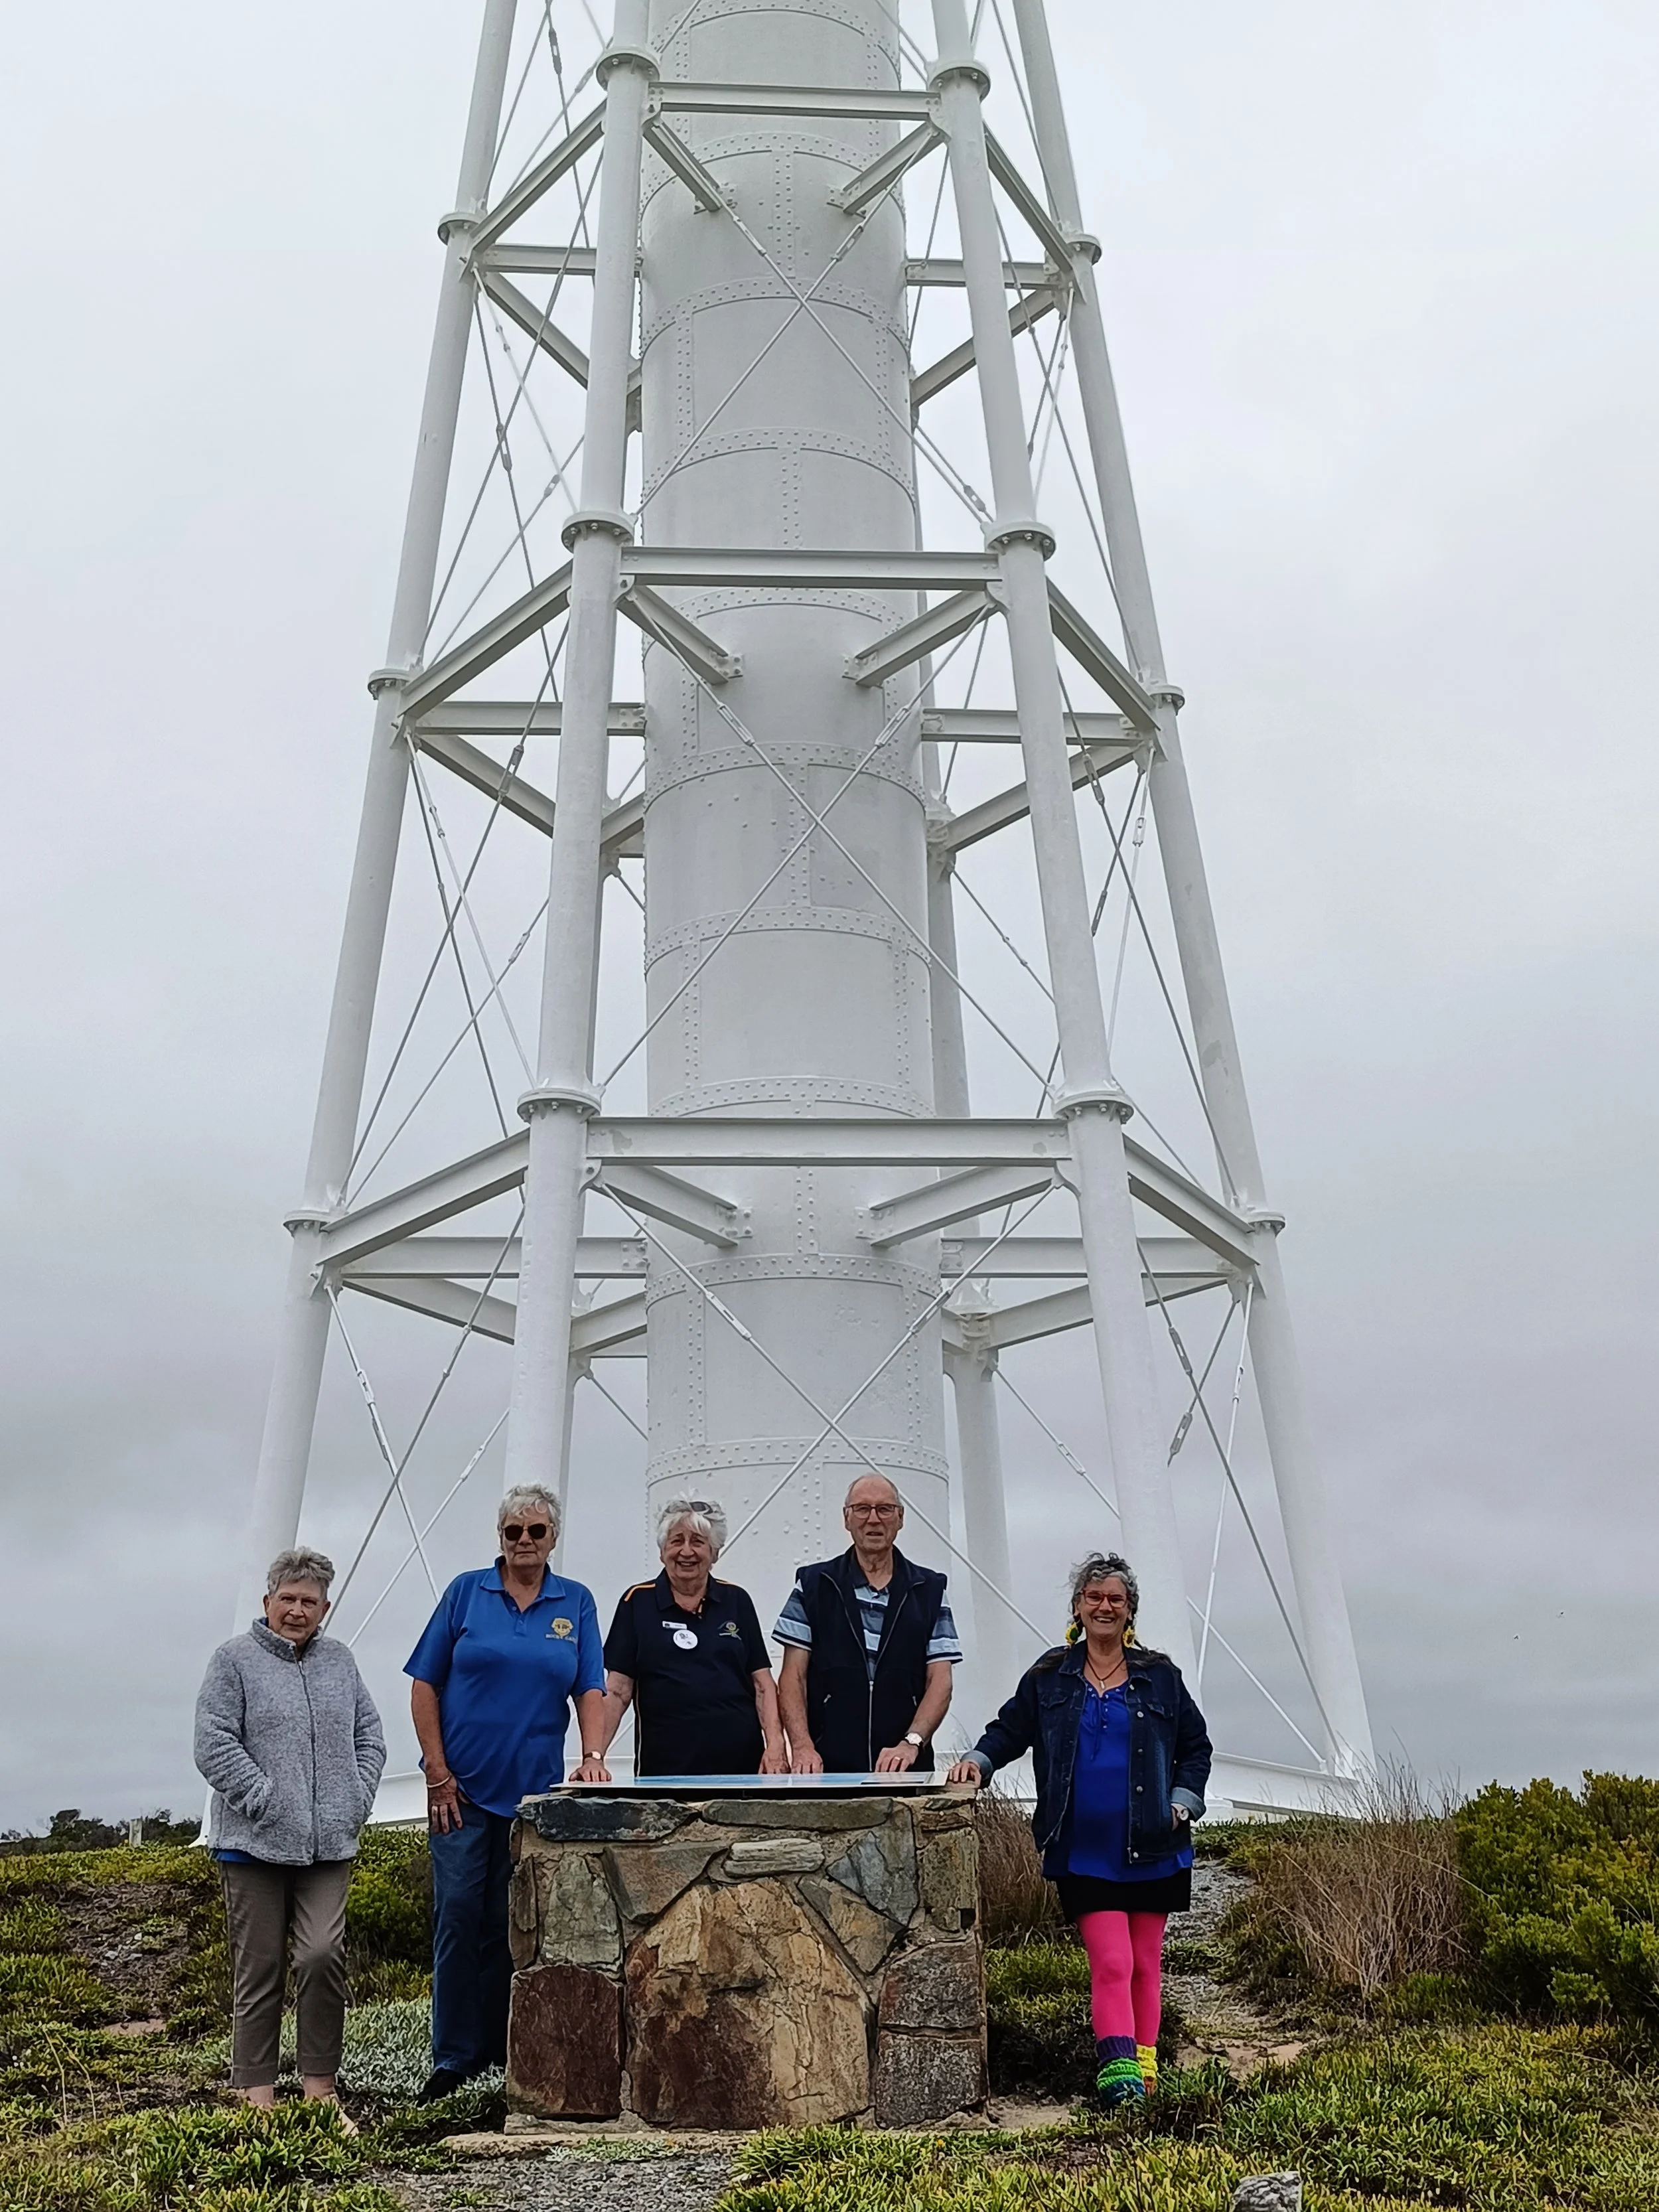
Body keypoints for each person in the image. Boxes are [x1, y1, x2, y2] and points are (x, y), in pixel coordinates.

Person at [948, 1550, 1211, 2109]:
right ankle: (1118, 2080)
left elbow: (1195, 1746)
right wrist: (978, 1760)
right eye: (1094, 1597)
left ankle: (1146, 2071)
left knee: (1144, 1961)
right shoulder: (1050, 1676)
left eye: (1115, 1598)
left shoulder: (1160, 1677)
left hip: (1154, 1844)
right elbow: (1008, 1730)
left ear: (1130, 1609)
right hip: (1082, 1849)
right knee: (1112, 1960)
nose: (1105, 1606)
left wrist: (1184, 1801)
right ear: (1078, 1607)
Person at [405, 1486, 608, 2102]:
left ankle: (500, 2045)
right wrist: (437, 1772)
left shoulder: (576, 1601)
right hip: (460, 1795)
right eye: (515, 1530)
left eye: (538, 1531)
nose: (526, 1541)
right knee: (459, 1916)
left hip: (534, 1798)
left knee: (510, 1922)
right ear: (500, 1535)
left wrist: (593, 1757)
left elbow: (591, 1688)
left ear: (553, 1536)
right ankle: (453, 2056)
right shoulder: (467, 1592)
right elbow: (423, 1683)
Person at [194, 1547, 386, 2122]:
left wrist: (356, 1797)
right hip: (251, 1845)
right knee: (260, 1971)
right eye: (288, 1598)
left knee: (323, 1955)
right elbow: (213, 1743)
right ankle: (257, 2098)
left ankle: (321, 2091)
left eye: (309, 1601)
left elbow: (370, 1736)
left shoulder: (341, 1662)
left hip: (329, 1845)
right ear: (267, 1600)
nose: (297, 1610)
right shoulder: (232, 1661)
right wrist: (265, 1799)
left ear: (324, 1607)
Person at [774, 1472, 960, 1774]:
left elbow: (940, 1680)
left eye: (885, 1509)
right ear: (846, 1519)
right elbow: (792, 1676)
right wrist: (803, 1746)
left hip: (905, 1774)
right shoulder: (812, 1585)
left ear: (900, 1519)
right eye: (862, 1509)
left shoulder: (930, 1590)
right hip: (826, 1772)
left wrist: (911, 1743)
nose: (873, 1519)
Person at [593, 1496, 790, 1777]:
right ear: (662, 1551)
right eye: (677, 1541)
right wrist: (594, 1757)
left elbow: (762, 1685)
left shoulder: (737, 1600)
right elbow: (617, 1692)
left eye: (698, 1542)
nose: (687, 1551)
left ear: (715, 1552)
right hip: (664, 1775)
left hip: (742, 1772)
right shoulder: (636, 1602)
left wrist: (775, 1747)